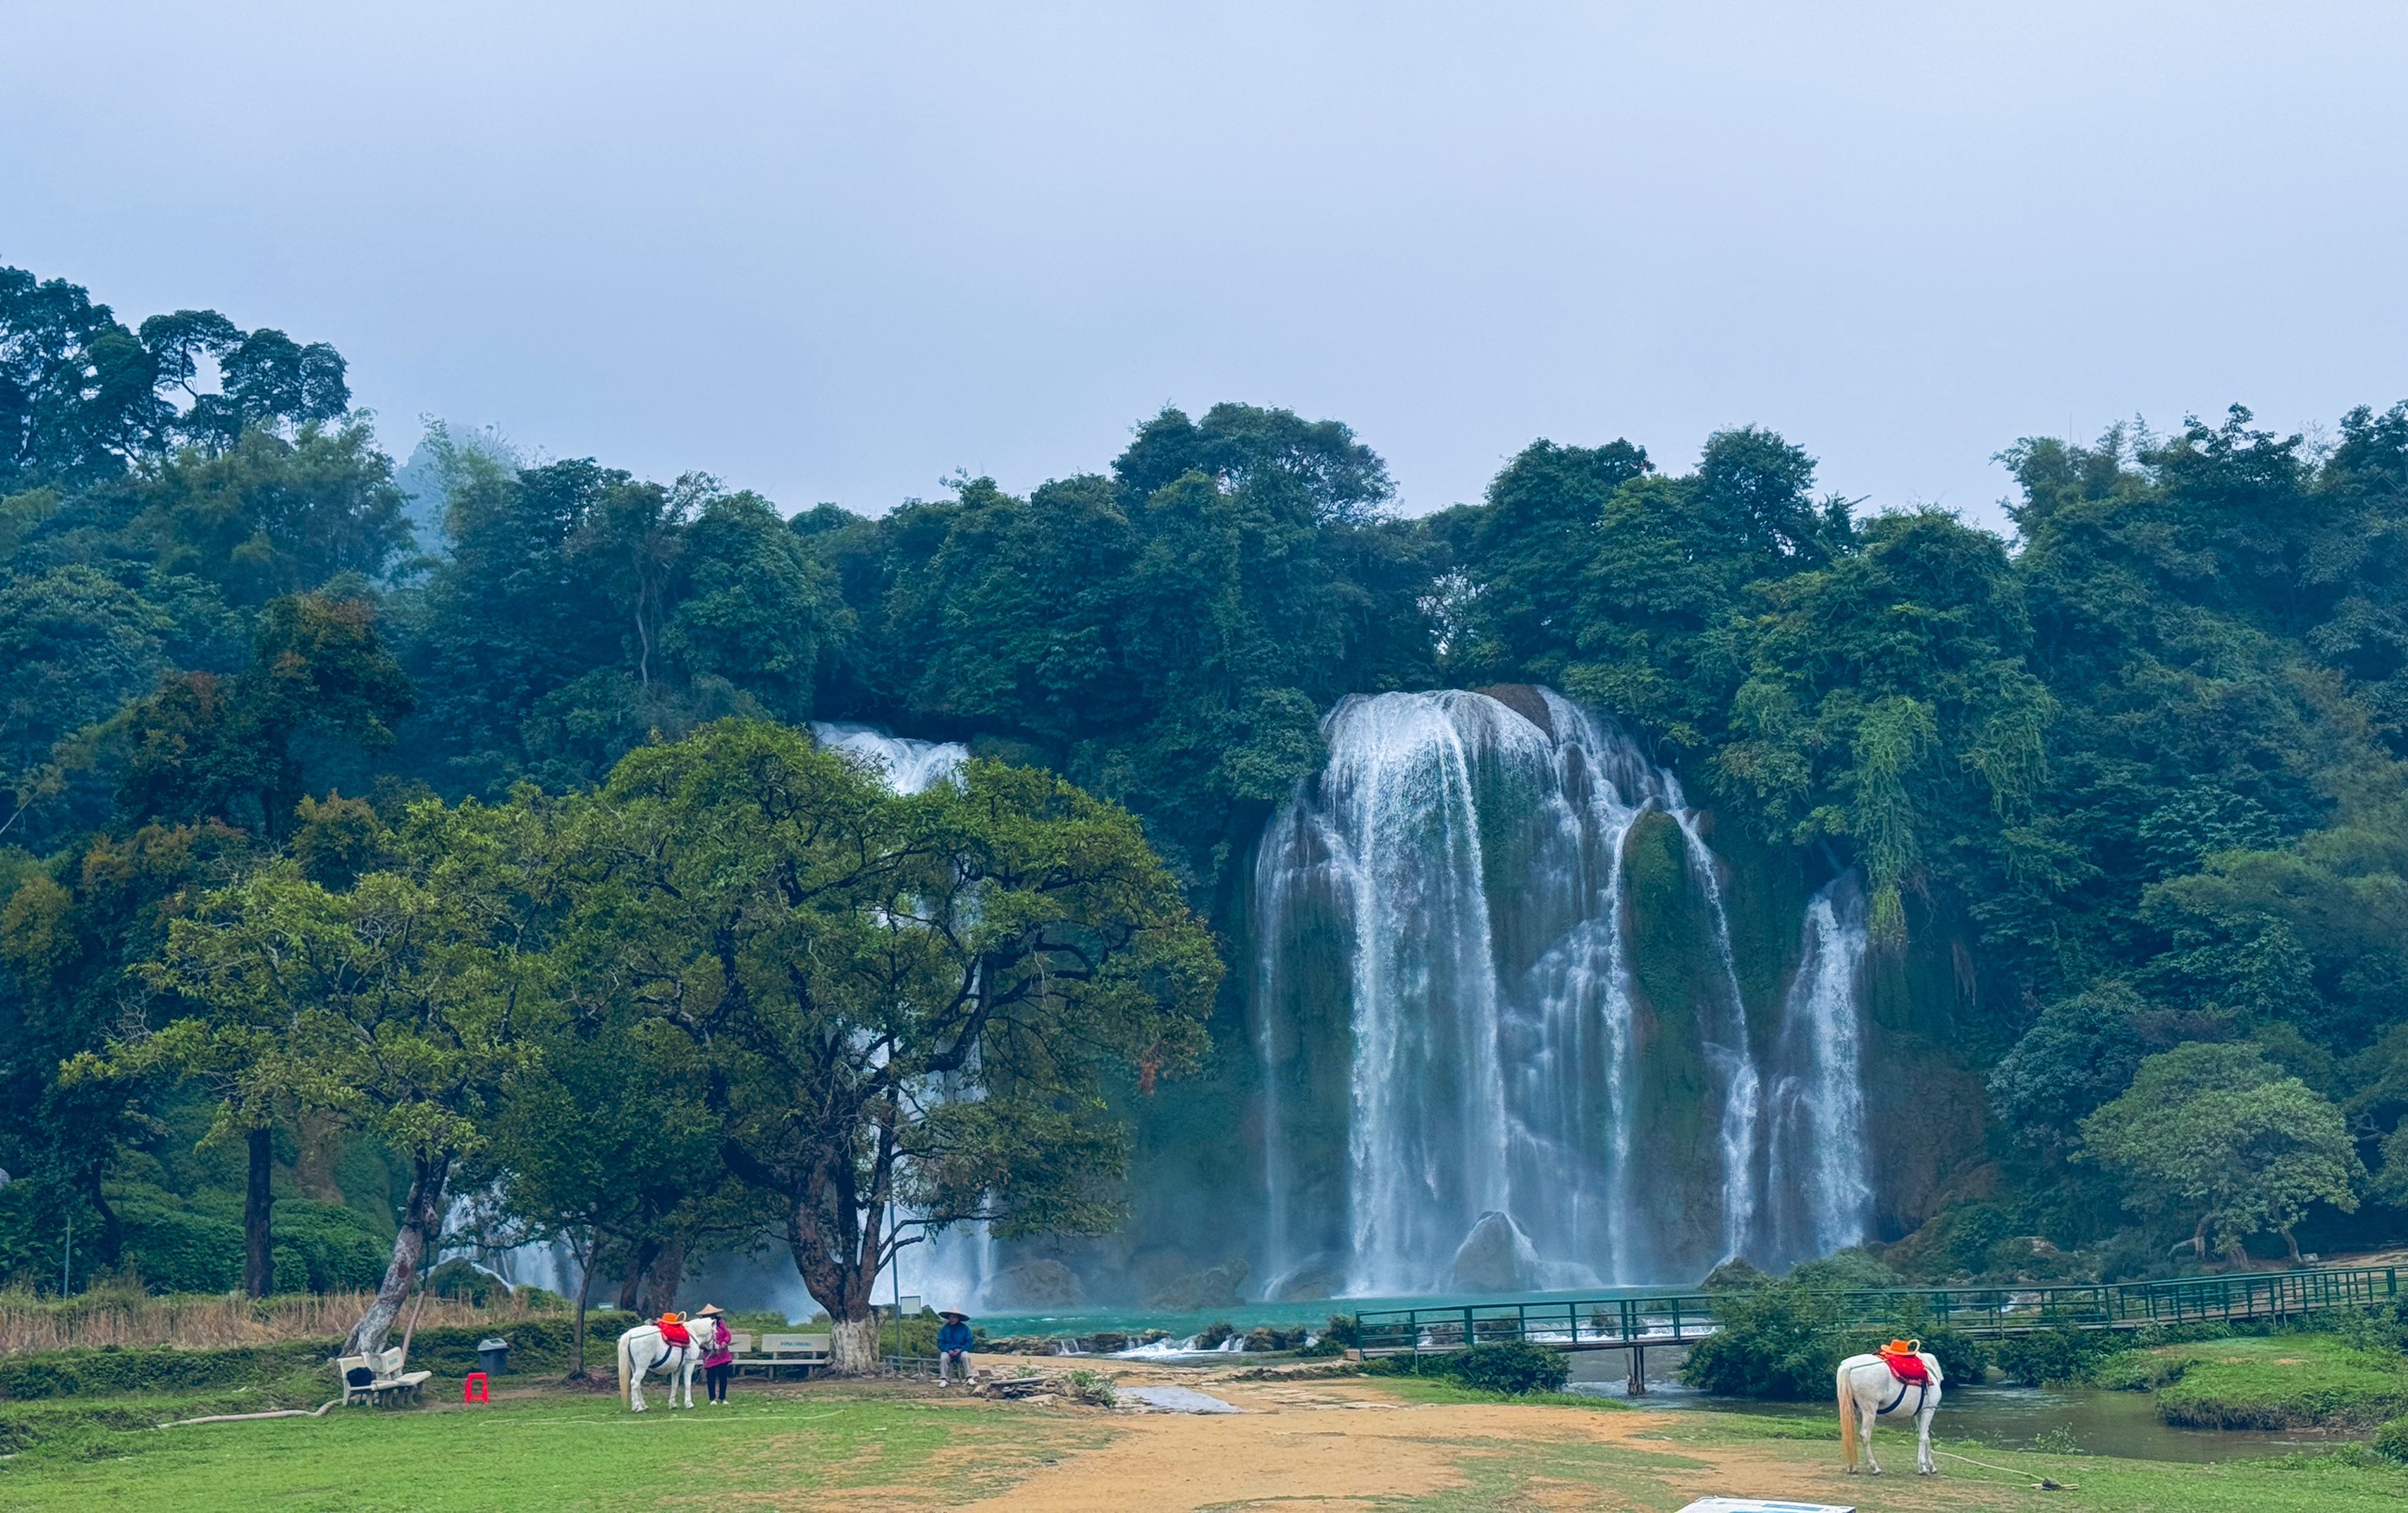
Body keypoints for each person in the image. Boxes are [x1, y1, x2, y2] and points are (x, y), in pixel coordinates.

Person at [696, 1304, 735, 1403]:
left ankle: (723, 1398)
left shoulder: (720, 1323)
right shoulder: (701, 1327)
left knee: (723, 1377)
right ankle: (712, 1398)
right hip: (710, 1355)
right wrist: (704, 1346)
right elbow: (699, 1340)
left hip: (722, 1354)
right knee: (711, 1377)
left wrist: (724, 1342)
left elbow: (727, 1335)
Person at [936, 1308, 974, 1385]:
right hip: (948, 1351)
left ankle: (969, 1377)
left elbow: (969, 1342)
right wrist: (948, 1350)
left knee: (966, 1356)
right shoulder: (944, 1329)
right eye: (950, 1317)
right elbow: (940, 1342)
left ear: (958, 1318)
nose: (952, 1319)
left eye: (954, 1317)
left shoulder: (965, 1328)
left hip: (961, 1351)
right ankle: (944, 1379)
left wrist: (961, 1350)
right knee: (943, 1358)